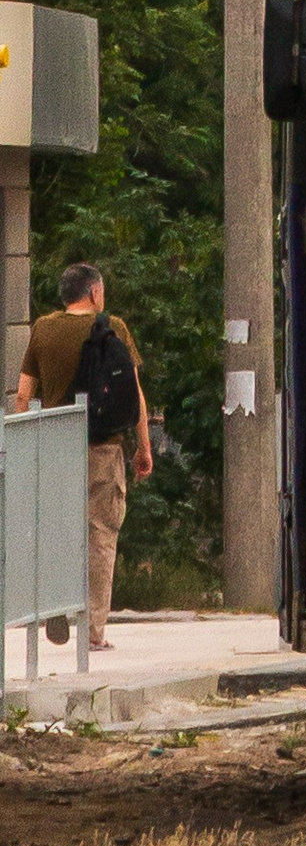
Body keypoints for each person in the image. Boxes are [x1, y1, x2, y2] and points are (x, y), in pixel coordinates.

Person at [12, 261, 152, 650]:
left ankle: (54, 603)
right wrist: (143, 448)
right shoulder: (114, 328)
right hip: (103, 448)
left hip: (55, 448)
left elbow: (23, 395)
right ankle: (93, 632)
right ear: (94, 293)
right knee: (101, 536)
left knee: (57, 531)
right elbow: (134, 394)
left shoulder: (43, 329)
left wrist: (27, 447)